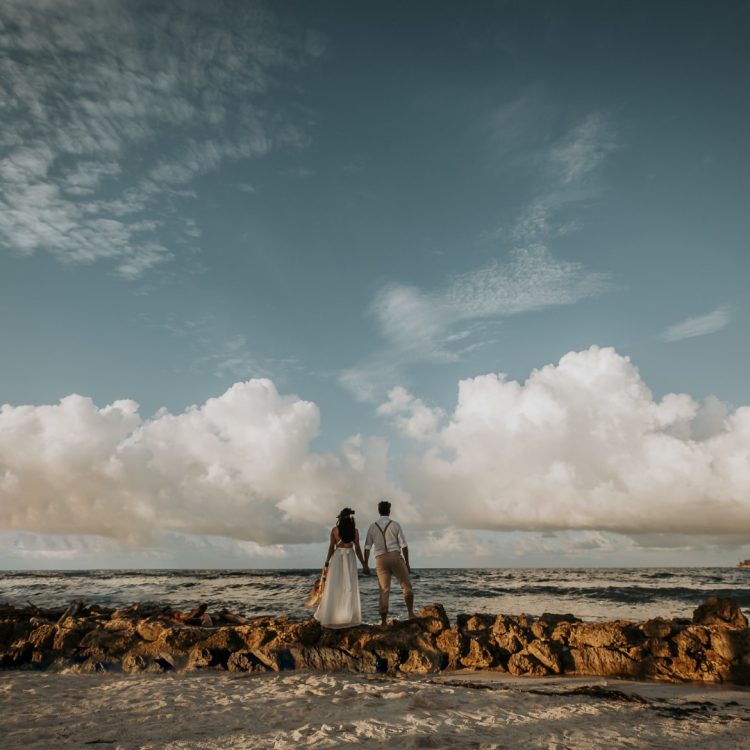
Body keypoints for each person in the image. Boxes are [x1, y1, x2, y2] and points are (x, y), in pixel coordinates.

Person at [314, 507, 367, 628]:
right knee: (349, 587)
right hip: (350, 557)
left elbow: (331, 548)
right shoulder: (355, 531)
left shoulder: (334, 530)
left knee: (335, 585)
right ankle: (348, 616)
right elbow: (357, 549)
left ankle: (334, 617)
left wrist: (327, 562)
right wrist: (363, 563)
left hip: (337, 557)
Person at [364, 499, 415, 625]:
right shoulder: (395, 524)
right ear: (389, 511)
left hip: (380, 559)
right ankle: (410, 614)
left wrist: (365, 564)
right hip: (395, 557)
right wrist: (407, 563)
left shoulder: (372, 526)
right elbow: (404, 546)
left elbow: (367, 548)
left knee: (384, 590)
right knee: (406, 585)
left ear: (379, 511)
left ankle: (383, 622)